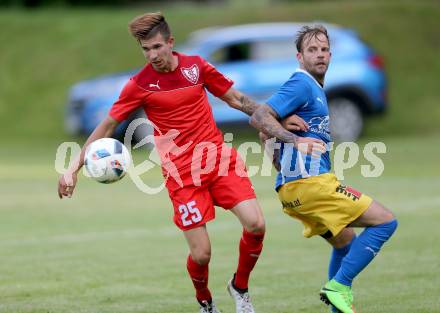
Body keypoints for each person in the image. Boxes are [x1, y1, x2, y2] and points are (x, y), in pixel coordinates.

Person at [57, 12, 302, 313]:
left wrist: (277, 118)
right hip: (182, 174)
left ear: (170, 42)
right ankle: (205, 302)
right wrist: (72, 168)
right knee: (202, 255)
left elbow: (237, 99)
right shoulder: (139, 85)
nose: (152, 55)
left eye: (157, 47)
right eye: (146, 50)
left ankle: (240, 287)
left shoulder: (196, 68)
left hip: (219, 160)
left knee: (256, 225)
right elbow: (107, 126)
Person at [250, 25, 398, 313]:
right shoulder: (302, 84)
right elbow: (259, 117)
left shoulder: (314, 89)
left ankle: (337, 306)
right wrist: (295, 140)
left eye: (323, 49)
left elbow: (264, 133)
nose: (319, 55)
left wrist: (280, 150)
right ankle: (338, 286)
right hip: (313, 185)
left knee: (344, 244)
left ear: (330, 54)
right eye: (312, 50)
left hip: (291, 191)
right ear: (299, 56)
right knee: (385, 222)